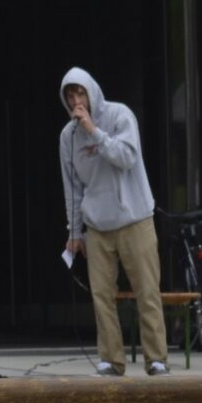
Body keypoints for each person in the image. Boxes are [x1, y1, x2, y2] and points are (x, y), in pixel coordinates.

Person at [59, 66, 169, 378]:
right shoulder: (67, 137)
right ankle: (110, 359)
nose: (76, 101)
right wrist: (74, 231)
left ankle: (156, 358)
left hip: (135, 217)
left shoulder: (120, 115)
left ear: (91, 92)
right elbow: (72, 187)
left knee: (146, 290)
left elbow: (126, 157)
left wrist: (93, 130)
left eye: (80, 93)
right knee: (101, 295)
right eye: (70, 96)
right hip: (97, 225)